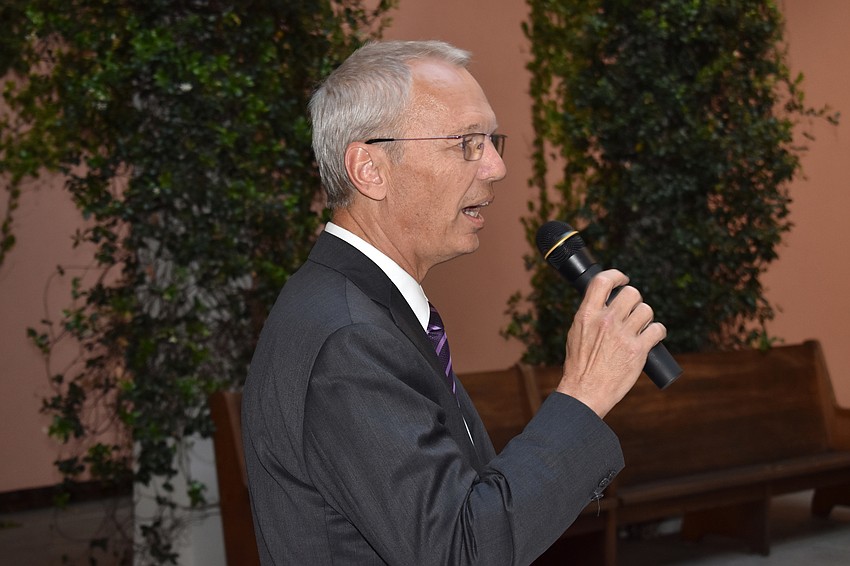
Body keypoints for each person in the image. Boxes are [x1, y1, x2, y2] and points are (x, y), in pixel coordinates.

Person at [241, 40, 665, 565]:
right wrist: (582, 394)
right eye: (466, 142)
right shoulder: (348, 339)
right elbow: (459, 550)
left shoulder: (365, 307)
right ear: (370, 168)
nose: (495, 168)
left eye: (491, 141)